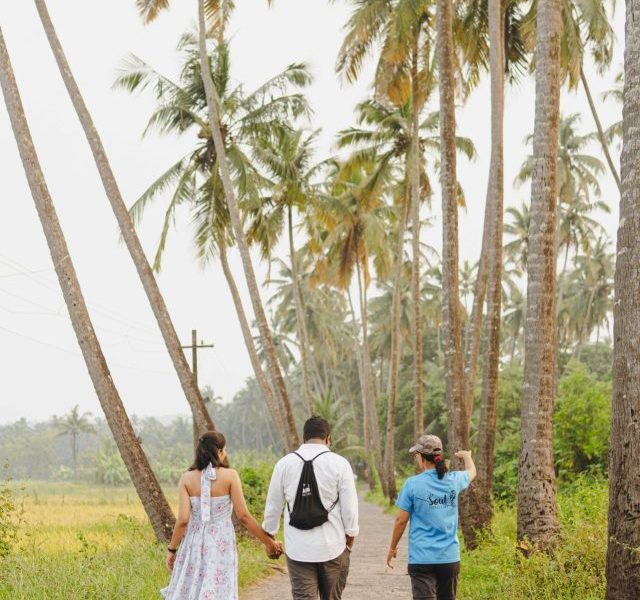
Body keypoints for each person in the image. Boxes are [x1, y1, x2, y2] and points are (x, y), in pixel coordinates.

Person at [161, 431, 283, 600]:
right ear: (219, 452)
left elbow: (182, 520)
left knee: (192, 590)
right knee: (219, 591)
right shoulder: (230, 476)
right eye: (224, 450)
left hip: (193, 543)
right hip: (221, 543)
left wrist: (172, 550)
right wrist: (270, 543)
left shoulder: (186, 479)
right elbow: (243, 516)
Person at [262, 416, 359, 600]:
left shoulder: (284, 464)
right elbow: (350, 509)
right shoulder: (340, 464)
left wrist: (270, 539)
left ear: (303, 437)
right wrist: (349, 541)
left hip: (298, 549)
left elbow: (272, 508)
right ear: (328, 438)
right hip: (333, 546)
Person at [386, 434, 476, 600]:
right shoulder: (453, 479)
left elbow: (401, 521)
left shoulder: (412, 484)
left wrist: (392, 548)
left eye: (416, 455)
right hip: (449, 558)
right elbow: (471, 472)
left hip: (422, 559)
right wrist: (467, 457)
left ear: (421, 457)